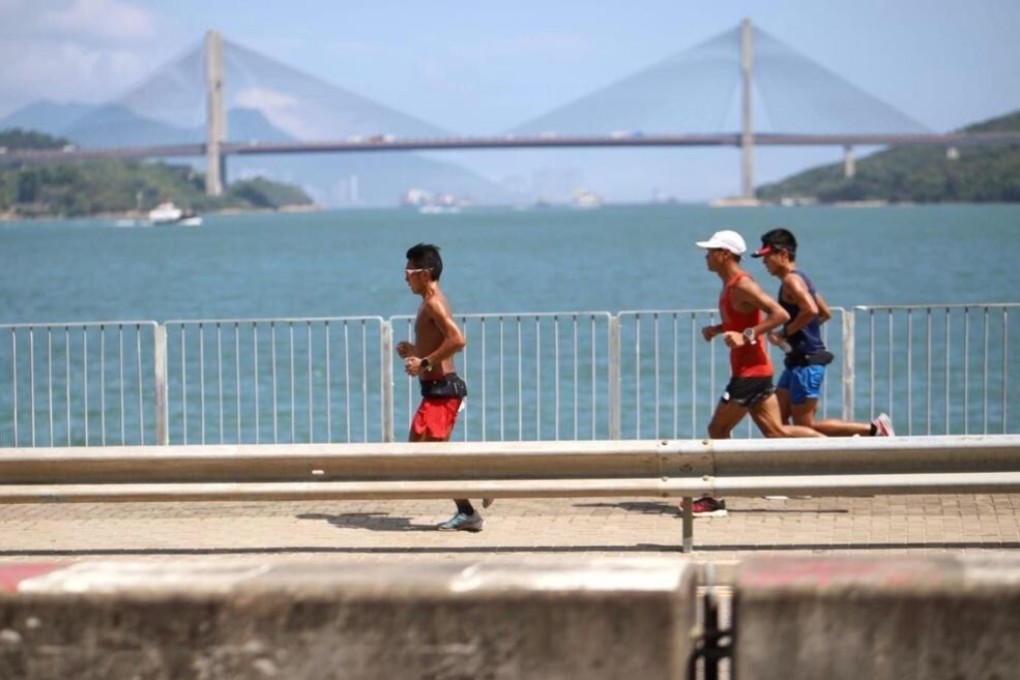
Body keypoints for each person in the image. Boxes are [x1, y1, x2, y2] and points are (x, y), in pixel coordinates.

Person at [689, 229, 824, 518]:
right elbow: (739, 321)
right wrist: (718, 329)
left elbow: (780, 315)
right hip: (755, 371)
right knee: (777, 432)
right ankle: (843, 449)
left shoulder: (742, 284)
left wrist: (747, 334)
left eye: (711, 251)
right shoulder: (729, 286)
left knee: (717, 430)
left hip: (750, 374)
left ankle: (715, 499)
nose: (706, 256)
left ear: (725, 254)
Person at [752, 228, 895, 437]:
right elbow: (825, 312)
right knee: (778, 424)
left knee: (806, 426)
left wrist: (785, 332)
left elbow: (811, 310)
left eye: (767, 257)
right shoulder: (801, 279)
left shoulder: (792, 281)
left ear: (782, 255)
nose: (764, 263)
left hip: (806, 363)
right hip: (796, 361)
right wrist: (800, 334)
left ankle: (873, 429)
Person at [396, 243, 488, 532]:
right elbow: (439, 343)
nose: (404, 277)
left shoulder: (433, 302)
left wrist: (423, 362)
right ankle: (468, 510)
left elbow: (458, 340)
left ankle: (481, 487)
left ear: (424, 273)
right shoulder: (429, 301)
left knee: (426, 455)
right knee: (426, 455)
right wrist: (415, 350)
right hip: (436, 390)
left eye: (409, 271)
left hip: (442, 390)